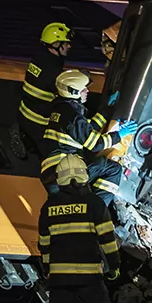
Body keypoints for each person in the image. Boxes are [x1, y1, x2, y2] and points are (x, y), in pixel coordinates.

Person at [37, 154, 121, 303]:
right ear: (84, 176)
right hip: (90, 279)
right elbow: (107, 239)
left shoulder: (48, 208)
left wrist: (47, 270)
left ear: (60, 178)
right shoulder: (94, 203)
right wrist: (114, 265)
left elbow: (44, 245)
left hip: (60, 282)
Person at [40, 69, 137, 205]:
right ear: (74, 93)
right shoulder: (72, 116)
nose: (87, 91)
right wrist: (119, 135)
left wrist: (107, 109)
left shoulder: (62, 110)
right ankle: (98, 209)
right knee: (112, 169)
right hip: (66, 174)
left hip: (55, 174)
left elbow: (88, 128)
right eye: (83, 89)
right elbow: (95, 143)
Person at [17, 22, 74, 157]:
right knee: (50, 156)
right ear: (55, 44)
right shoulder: (53, 71)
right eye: (65, 43)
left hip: (25, 112)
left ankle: (25, 140)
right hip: (40, 121)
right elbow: (65, 96)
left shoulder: (39, 59)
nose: (69, 46)